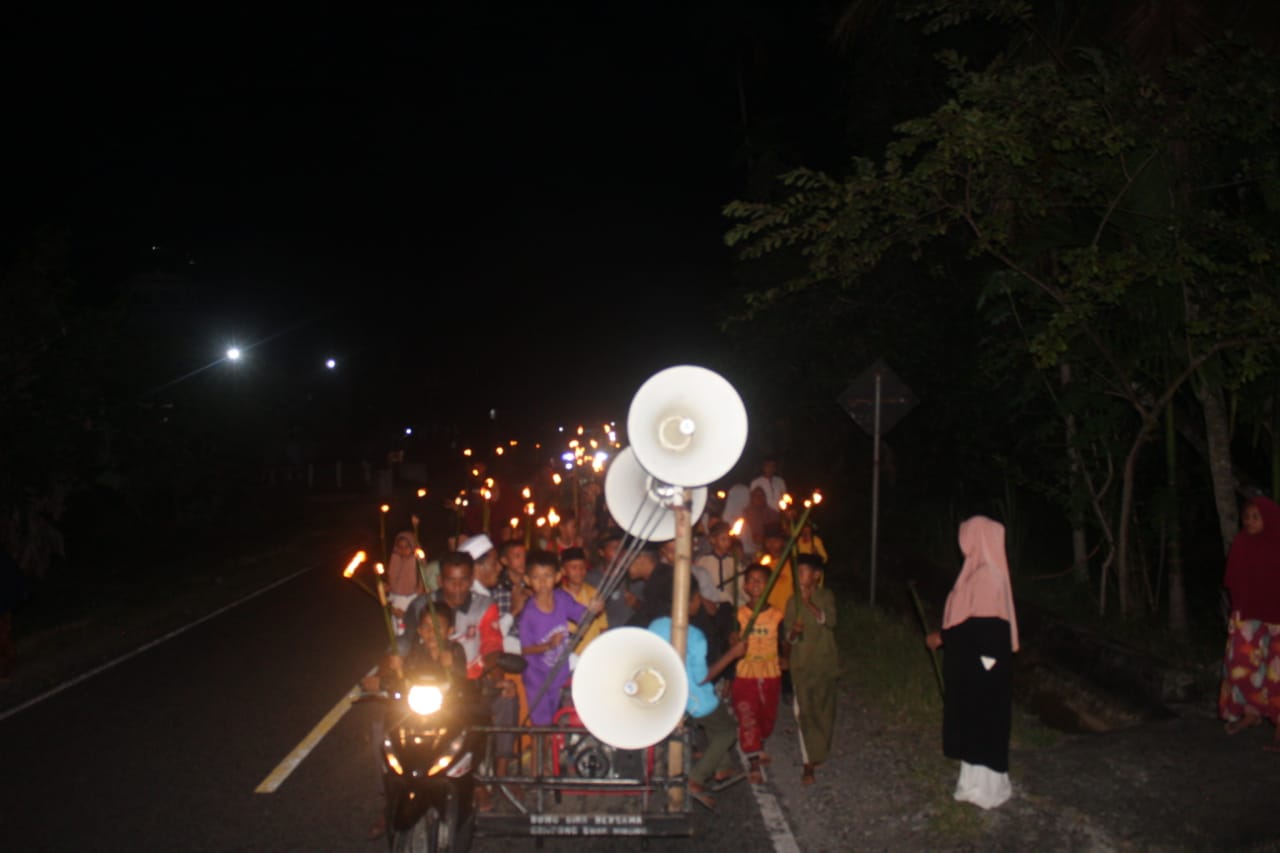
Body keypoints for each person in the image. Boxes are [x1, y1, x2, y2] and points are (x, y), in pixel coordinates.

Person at [925, 515, 1019, 810]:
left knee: (984, 723)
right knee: (973, 721)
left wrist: (944, 636)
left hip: (985, 667)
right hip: (973, 665)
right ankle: (972, 784)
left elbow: (985, 629)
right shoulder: (976, 571)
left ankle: (990, 789)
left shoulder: (988, 576)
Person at [646, 574, 746, 809]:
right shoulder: (695, 636)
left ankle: (722, 768)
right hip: (695, 699)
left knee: (715, 723)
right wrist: (732, 655)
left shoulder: (655, 626)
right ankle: (696, 778)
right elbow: (702, 678)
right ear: (692, 600)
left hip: (667, 695)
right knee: (727, 730)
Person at [1219, 496, 1280, 747]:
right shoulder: (1242, 543)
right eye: (1247, 517)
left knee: (1277, 672)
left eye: (1256, 517)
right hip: (1249, 615)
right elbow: (1233, 582)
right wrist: (1236, 615)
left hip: (1278, 617)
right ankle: (1250, 713)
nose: (1250, 522)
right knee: (1242, 665)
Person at [518, 549, 602, 725]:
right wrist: (548, 646)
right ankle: (539, 752)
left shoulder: (562, 598)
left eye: (547, 576)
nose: (542, 582)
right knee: (541, 726)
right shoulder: (529, 613)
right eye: (536, 577)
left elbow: (583, 616)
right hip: (537, 678)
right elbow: (525, 649)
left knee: (563, 720)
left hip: (560, 674)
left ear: (557, 577)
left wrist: (594, 609)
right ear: (527, 580)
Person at [783, 554, 838, 785]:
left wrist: (809, 604)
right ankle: (808, 764)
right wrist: (794, 632)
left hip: (825, 664)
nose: (800, 576)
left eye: (804, 571)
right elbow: (789, 636)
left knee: (824, 711)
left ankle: (819, 752)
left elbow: (831, 621)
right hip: (801, 665)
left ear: (816, 575)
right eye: (798, 572)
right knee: (803, 711)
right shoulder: (791, 601)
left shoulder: (826, 596)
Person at [734, 563, 784, 784]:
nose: (755, 584)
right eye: (751, 580)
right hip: (746, 674)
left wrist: (787, 655)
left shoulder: (777, 616)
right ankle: (754, 761)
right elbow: (731, 639)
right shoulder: (740, 614)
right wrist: (735, 641)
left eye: (761, 580)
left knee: (766, 717)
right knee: (748, 716)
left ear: (768, 586)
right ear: (745, 586)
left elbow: (784, 641)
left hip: (770, 673)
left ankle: (760, 743)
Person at [559, 546, 608, 651]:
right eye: (574, 568)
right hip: (567, 655)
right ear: (563, 571)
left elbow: (603, 627)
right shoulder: (557, 596)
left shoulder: (594, 593)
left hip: (592, 652)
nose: (579, 572)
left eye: (582, 567)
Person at [386, 531, 425, 636]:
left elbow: (422, 587)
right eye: (400, 547)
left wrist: (407, 613)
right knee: (397, 630)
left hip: (411, 601)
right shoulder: (395, 561)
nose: (403, 550)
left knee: (411, 629)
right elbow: (392, 585)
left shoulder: (417, 563)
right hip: (396, 602)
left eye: (407, 547)